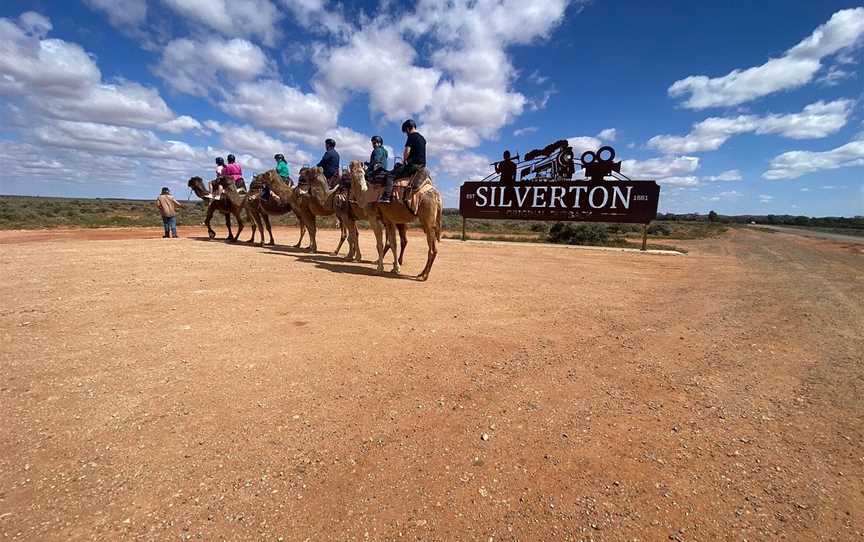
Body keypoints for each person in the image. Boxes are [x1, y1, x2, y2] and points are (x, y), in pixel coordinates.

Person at [380, 119, 426, 203]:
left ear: (408, 129)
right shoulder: (422, 138)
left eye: (405, 131)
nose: (406, 134)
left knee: (390, 175)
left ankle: (386, 196)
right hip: (422, 165)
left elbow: (407, 151)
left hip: (413, 165)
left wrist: (404, 160)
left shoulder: (412, 136)